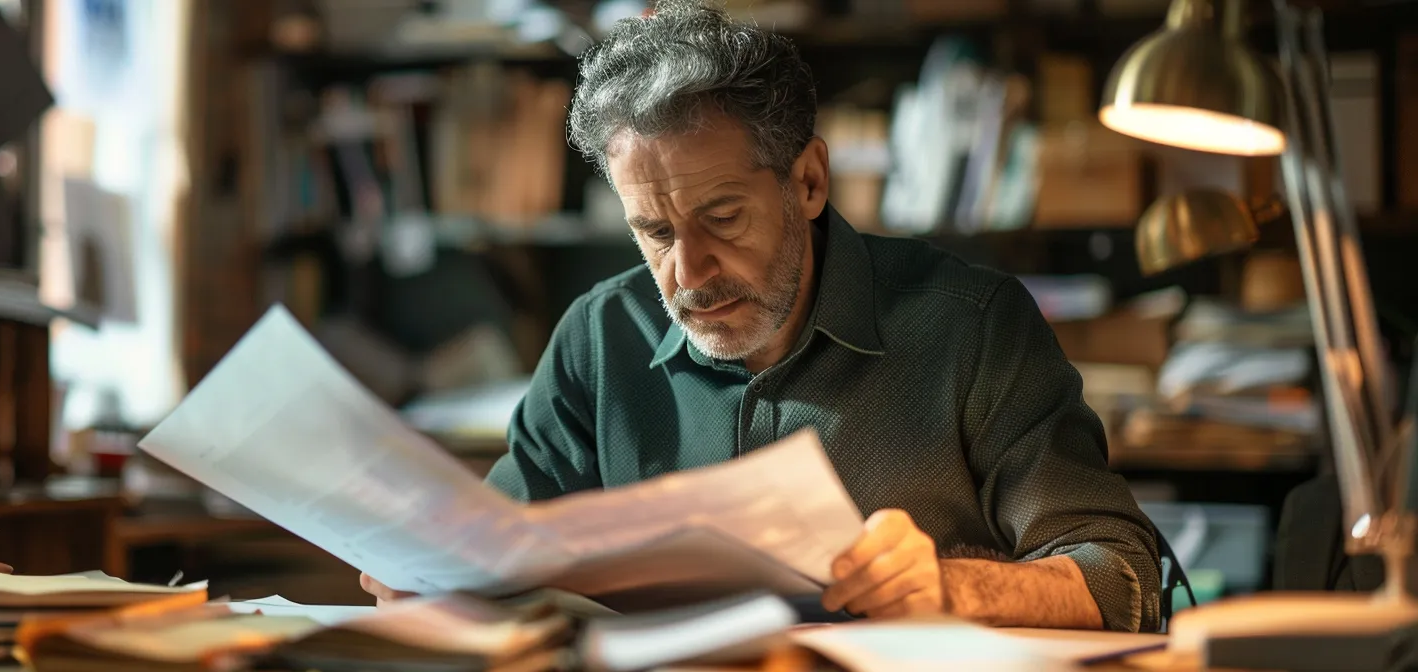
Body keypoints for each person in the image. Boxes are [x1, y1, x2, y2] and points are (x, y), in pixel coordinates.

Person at [362, 0, 1161, 633]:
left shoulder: (971, 327)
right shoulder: (599, 340)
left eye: (723, 217)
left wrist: (953, 586)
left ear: (808, 181)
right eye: (654, 231)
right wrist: (432, 577)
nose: (689, 272)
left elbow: (1125, 579)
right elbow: (496, 553)